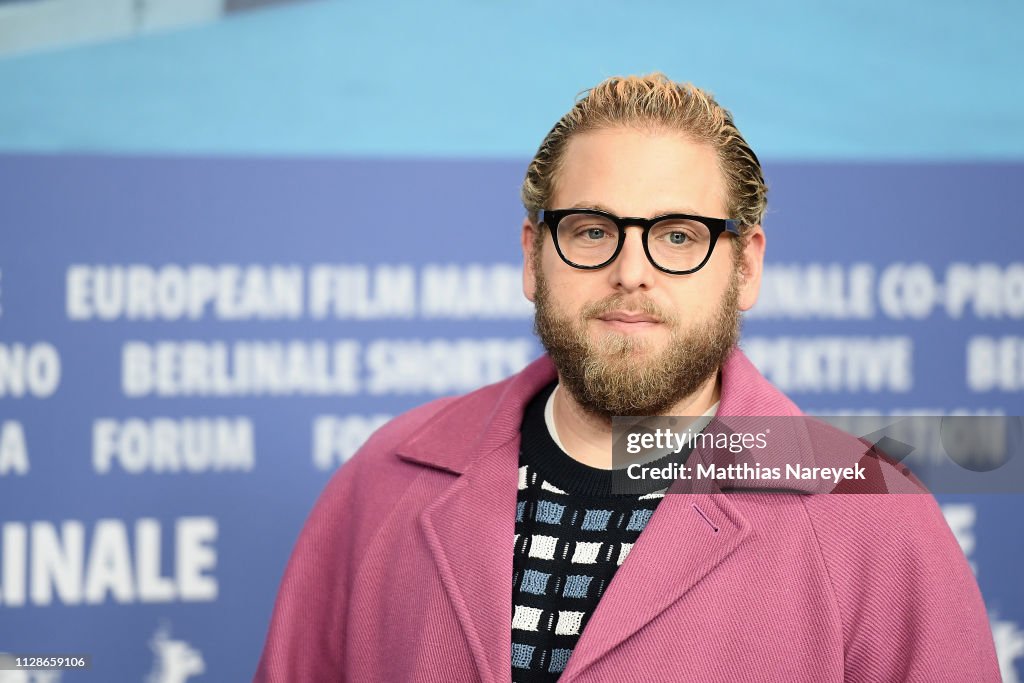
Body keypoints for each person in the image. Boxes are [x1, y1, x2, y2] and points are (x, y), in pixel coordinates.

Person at [254, 74, 1000, 682]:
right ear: (531, 256)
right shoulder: (384, 478)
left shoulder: (871, 515)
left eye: (679, 235)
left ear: (746, 267)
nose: (630, 271)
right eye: (590, 230)